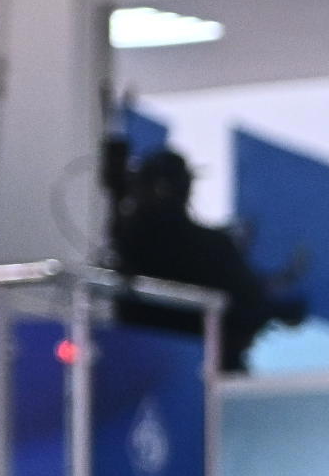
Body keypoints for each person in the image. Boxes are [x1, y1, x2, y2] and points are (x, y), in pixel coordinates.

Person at [107, 145, 294, 375]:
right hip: (179, 372)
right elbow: (249, 305)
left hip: (164, 370)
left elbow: (247, 305)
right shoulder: (210, 246)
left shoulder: (133, 243)